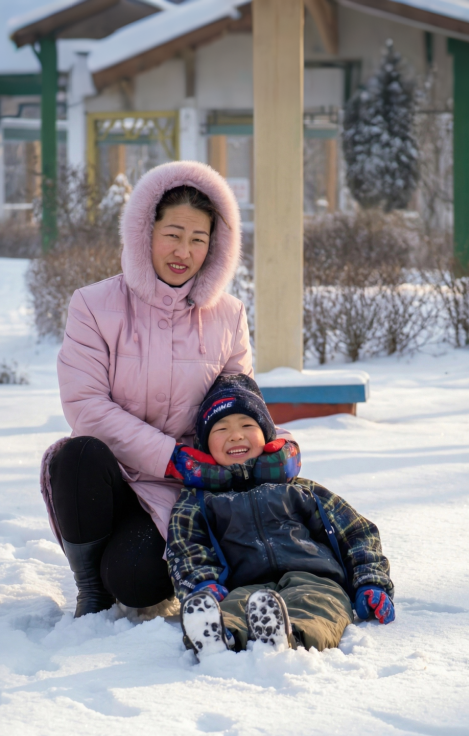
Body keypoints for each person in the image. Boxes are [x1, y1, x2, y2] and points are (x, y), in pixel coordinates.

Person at [40, 161, 298, 617]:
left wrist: (269, 447)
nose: (184, 250)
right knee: (75, 455)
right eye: (173, 234)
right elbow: (86, 406)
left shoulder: (228, 315)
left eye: (198, 239)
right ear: (146, 233)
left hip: (182, 492)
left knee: (139, 584)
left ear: (215, 247)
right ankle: (90, 586)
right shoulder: (94, 305)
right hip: (110, 480)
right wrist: (171, 456)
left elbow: (239, 404)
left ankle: (120, 567)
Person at [167, 374, 395, 659]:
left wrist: (370, 581)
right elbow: (185, 547)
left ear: (267, 434)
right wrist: (203, 583)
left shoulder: (299, 489)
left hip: (314, 578)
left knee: (318, 606)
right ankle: (218, 635)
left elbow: (357, 532)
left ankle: (290, 637)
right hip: (243, 585)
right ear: (205, 444)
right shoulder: (201, 500)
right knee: (234, 608)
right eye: (221, 428)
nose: (235, 435)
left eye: (247, 425)